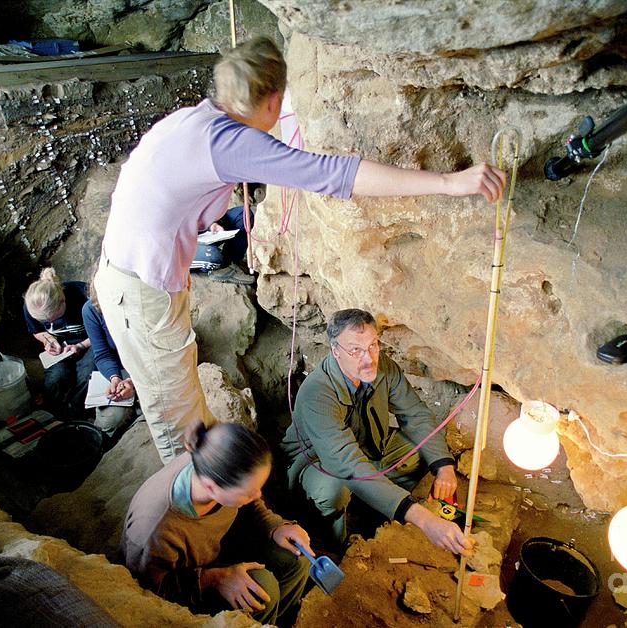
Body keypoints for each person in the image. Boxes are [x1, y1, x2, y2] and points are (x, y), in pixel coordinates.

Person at [94, 36, 507, 464]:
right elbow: (330, 174)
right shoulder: (229, 142)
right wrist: (447, 183)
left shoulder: (193, 121)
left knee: (186, 409)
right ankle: (194, 517)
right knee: (179, 425)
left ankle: (220, 492)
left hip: (130, 275)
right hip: (141, 292)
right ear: (273, 101)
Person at [281, 309, 473, 557]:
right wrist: (424, 520)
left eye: (373, 345)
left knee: (419, 453)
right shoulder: (317, 394)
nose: (368, 358)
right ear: (335, 351)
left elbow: (415, 415)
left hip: (366, 444)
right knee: (333, 490)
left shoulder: (384, 367)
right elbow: (347, 464)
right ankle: (337, 543)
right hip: (317, 460)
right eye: (356, 350)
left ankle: (376, 506)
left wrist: (444, 467)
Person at [121, 421, 311, 626]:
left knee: (297, 555)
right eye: (248, 492)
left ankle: (277, 620)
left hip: (217, 544)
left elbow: (250, 499)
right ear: (212, 488)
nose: (257, 495)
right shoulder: (154, 530)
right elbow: (150, 590)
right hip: (185, 581)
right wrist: (214, 578)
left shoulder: (214, 465)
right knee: (261, 593)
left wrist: (275, 526)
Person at [23, 267, 94, 417]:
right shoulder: (32, 305)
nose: (51, 323)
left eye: (54, 318)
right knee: (55, 378)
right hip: (61, 349)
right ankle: (52, 415)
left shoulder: (84, 295)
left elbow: (105, 329)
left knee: (86, 375)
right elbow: (37, 331)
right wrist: (49, 340)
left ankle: (77, 412)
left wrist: (81, 345)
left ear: (63, 301)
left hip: (90, 342)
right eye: (46, 321)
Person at [81, 281, 135, 437]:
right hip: (121, 370)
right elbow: (102, 353)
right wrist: (115, 378)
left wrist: (134, 382)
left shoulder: (141, 303)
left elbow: (156, 352)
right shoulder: (91, 309)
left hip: (149, 368)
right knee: (109, 421)